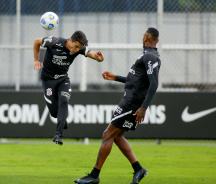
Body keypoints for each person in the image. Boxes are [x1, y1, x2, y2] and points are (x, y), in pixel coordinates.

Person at [74, 27, 161, 184]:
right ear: (157, 40)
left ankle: (94, 175)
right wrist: (116, 78)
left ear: (145, 38)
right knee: (117, 136)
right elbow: (136, 80)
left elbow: (154, 84)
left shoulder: (150, 56)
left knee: (108, 135)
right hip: (131, 100)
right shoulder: (149, 55)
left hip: (132, 102)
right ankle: (138, 169)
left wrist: (143, 107)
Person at [33, 30, 104, 146]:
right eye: (75, 46)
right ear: (70, 40)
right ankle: (62, 120)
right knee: (55, 113)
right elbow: (36, 42)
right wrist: (36, 60)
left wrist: (98, 58)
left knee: (64, 101)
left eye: (79, 48)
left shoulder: (79, 48)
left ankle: (58, 134)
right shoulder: (54, 42)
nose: (76, 50)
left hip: (63, 80)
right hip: (48, 81)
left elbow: (91, 54)